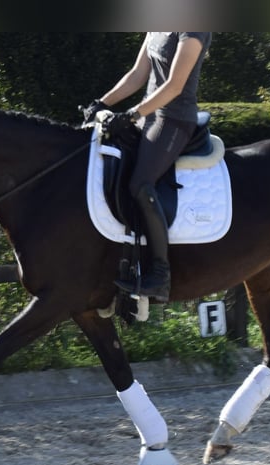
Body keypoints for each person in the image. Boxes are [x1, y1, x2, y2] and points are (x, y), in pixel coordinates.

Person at [82, 32, 212, 302]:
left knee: (140, 184)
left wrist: (130, 116)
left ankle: (160, 276)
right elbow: (138, 74)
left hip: (174, 119)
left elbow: (176, 85)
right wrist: (103, 103)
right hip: (149, 116)